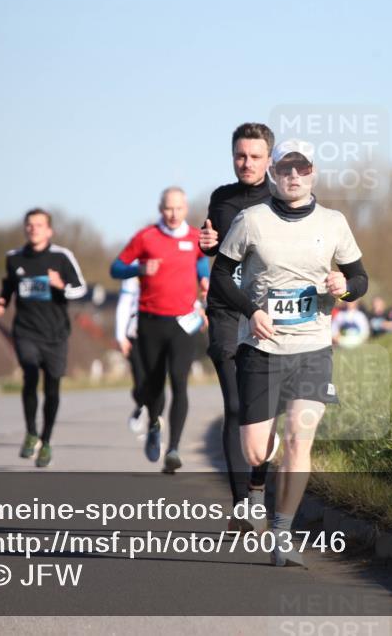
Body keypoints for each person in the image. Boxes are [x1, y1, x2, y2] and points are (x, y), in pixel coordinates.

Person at [211, 139, 368, 566]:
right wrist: (251, 310)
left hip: (313, 348)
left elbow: (359, 276)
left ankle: (282, 532)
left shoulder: (334, 222)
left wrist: (346, 287)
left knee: (302, 440)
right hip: (261, 348)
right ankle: (258, 485)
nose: (293, 176)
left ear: (313, 172)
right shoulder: (251, 220)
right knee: (256, 451)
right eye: (285, 169)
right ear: (274, 174)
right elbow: (220, 277)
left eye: (301, 168)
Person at [199, 122, 277, 530]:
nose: (246, 163)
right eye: (240, 155)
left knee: (260, 410)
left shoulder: (281, 198)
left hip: (267, 312)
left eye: (254, 156)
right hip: (227, 309)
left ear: (269, 159)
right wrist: (206, 246)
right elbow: (211, 245)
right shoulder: (221, 198)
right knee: (234, 404)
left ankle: (259, 485)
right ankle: (242, 506)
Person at [111, 187, 207, 473]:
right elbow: (116, 268)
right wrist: (138, 269)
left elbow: (201, 261)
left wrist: (204, 280)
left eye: (178, 208)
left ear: (186, 209)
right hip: (151, 321)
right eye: (168, 208)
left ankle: (174, 448)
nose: (173, 214)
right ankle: (154, 423)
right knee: (153, 385)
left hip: (183, 322)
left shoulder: (194, 237)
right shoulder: (146, 237)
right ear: (160, 208)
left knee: (179, 381)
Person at [0, 208, 87, 468]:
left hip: (56, 334)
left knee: (52, 387)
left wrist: (60, 286)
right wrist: (2, 300)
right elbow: (9, 284)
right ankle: (31, 432)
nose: (33, 228)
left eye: (39, 224)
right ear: (25, 229)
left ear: (49, 230)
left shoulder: (61, 257)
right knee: (30, 373)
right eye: (29, 224)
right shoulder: (14, 258)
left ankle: (46, 441)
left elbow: (81, 289)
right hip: (26, 331)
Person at [113, 257, 210, 433]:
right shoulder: (135, 270)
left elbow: (181, 296)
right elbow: (124, 304)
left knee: (159, 379)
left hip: (164, 332)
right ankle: (141, 404)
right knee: (141, 381)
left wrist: (199, 311)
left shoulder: (170, 266)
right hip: (137, 334)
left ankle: (155, 418)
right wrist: (121, 337)